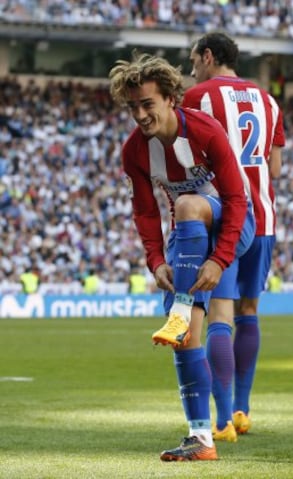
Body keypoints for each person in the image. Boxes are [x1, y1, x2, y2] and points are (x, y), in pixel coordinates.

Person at [109, 52, 255, 461]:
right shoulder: (134, 151)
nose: (139, 114)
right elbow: (144, 211)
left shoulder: (206, 132)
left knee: (189, 203)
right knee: (186, 336)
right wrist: (156, 262)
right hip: (188, 239)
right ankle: (201, 439)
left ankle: (182, 308)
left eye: (147, 104)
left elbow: (236, 200)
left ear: (171, 98)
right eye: (133, 106)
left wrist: (221, 259)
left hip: (232, 224)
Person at [183, 32, 285, 441]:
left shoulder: (198, 97)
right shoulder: (270, 101)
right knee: (250, 312)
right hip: (263, 218)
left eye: (193, 61)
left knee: (220, 317)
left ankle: (222, 420)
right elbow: (274, 169)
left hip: (224, 216)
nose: (191, 70)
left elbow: (187, 163)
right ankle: (244, 410)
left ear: (208, 56)